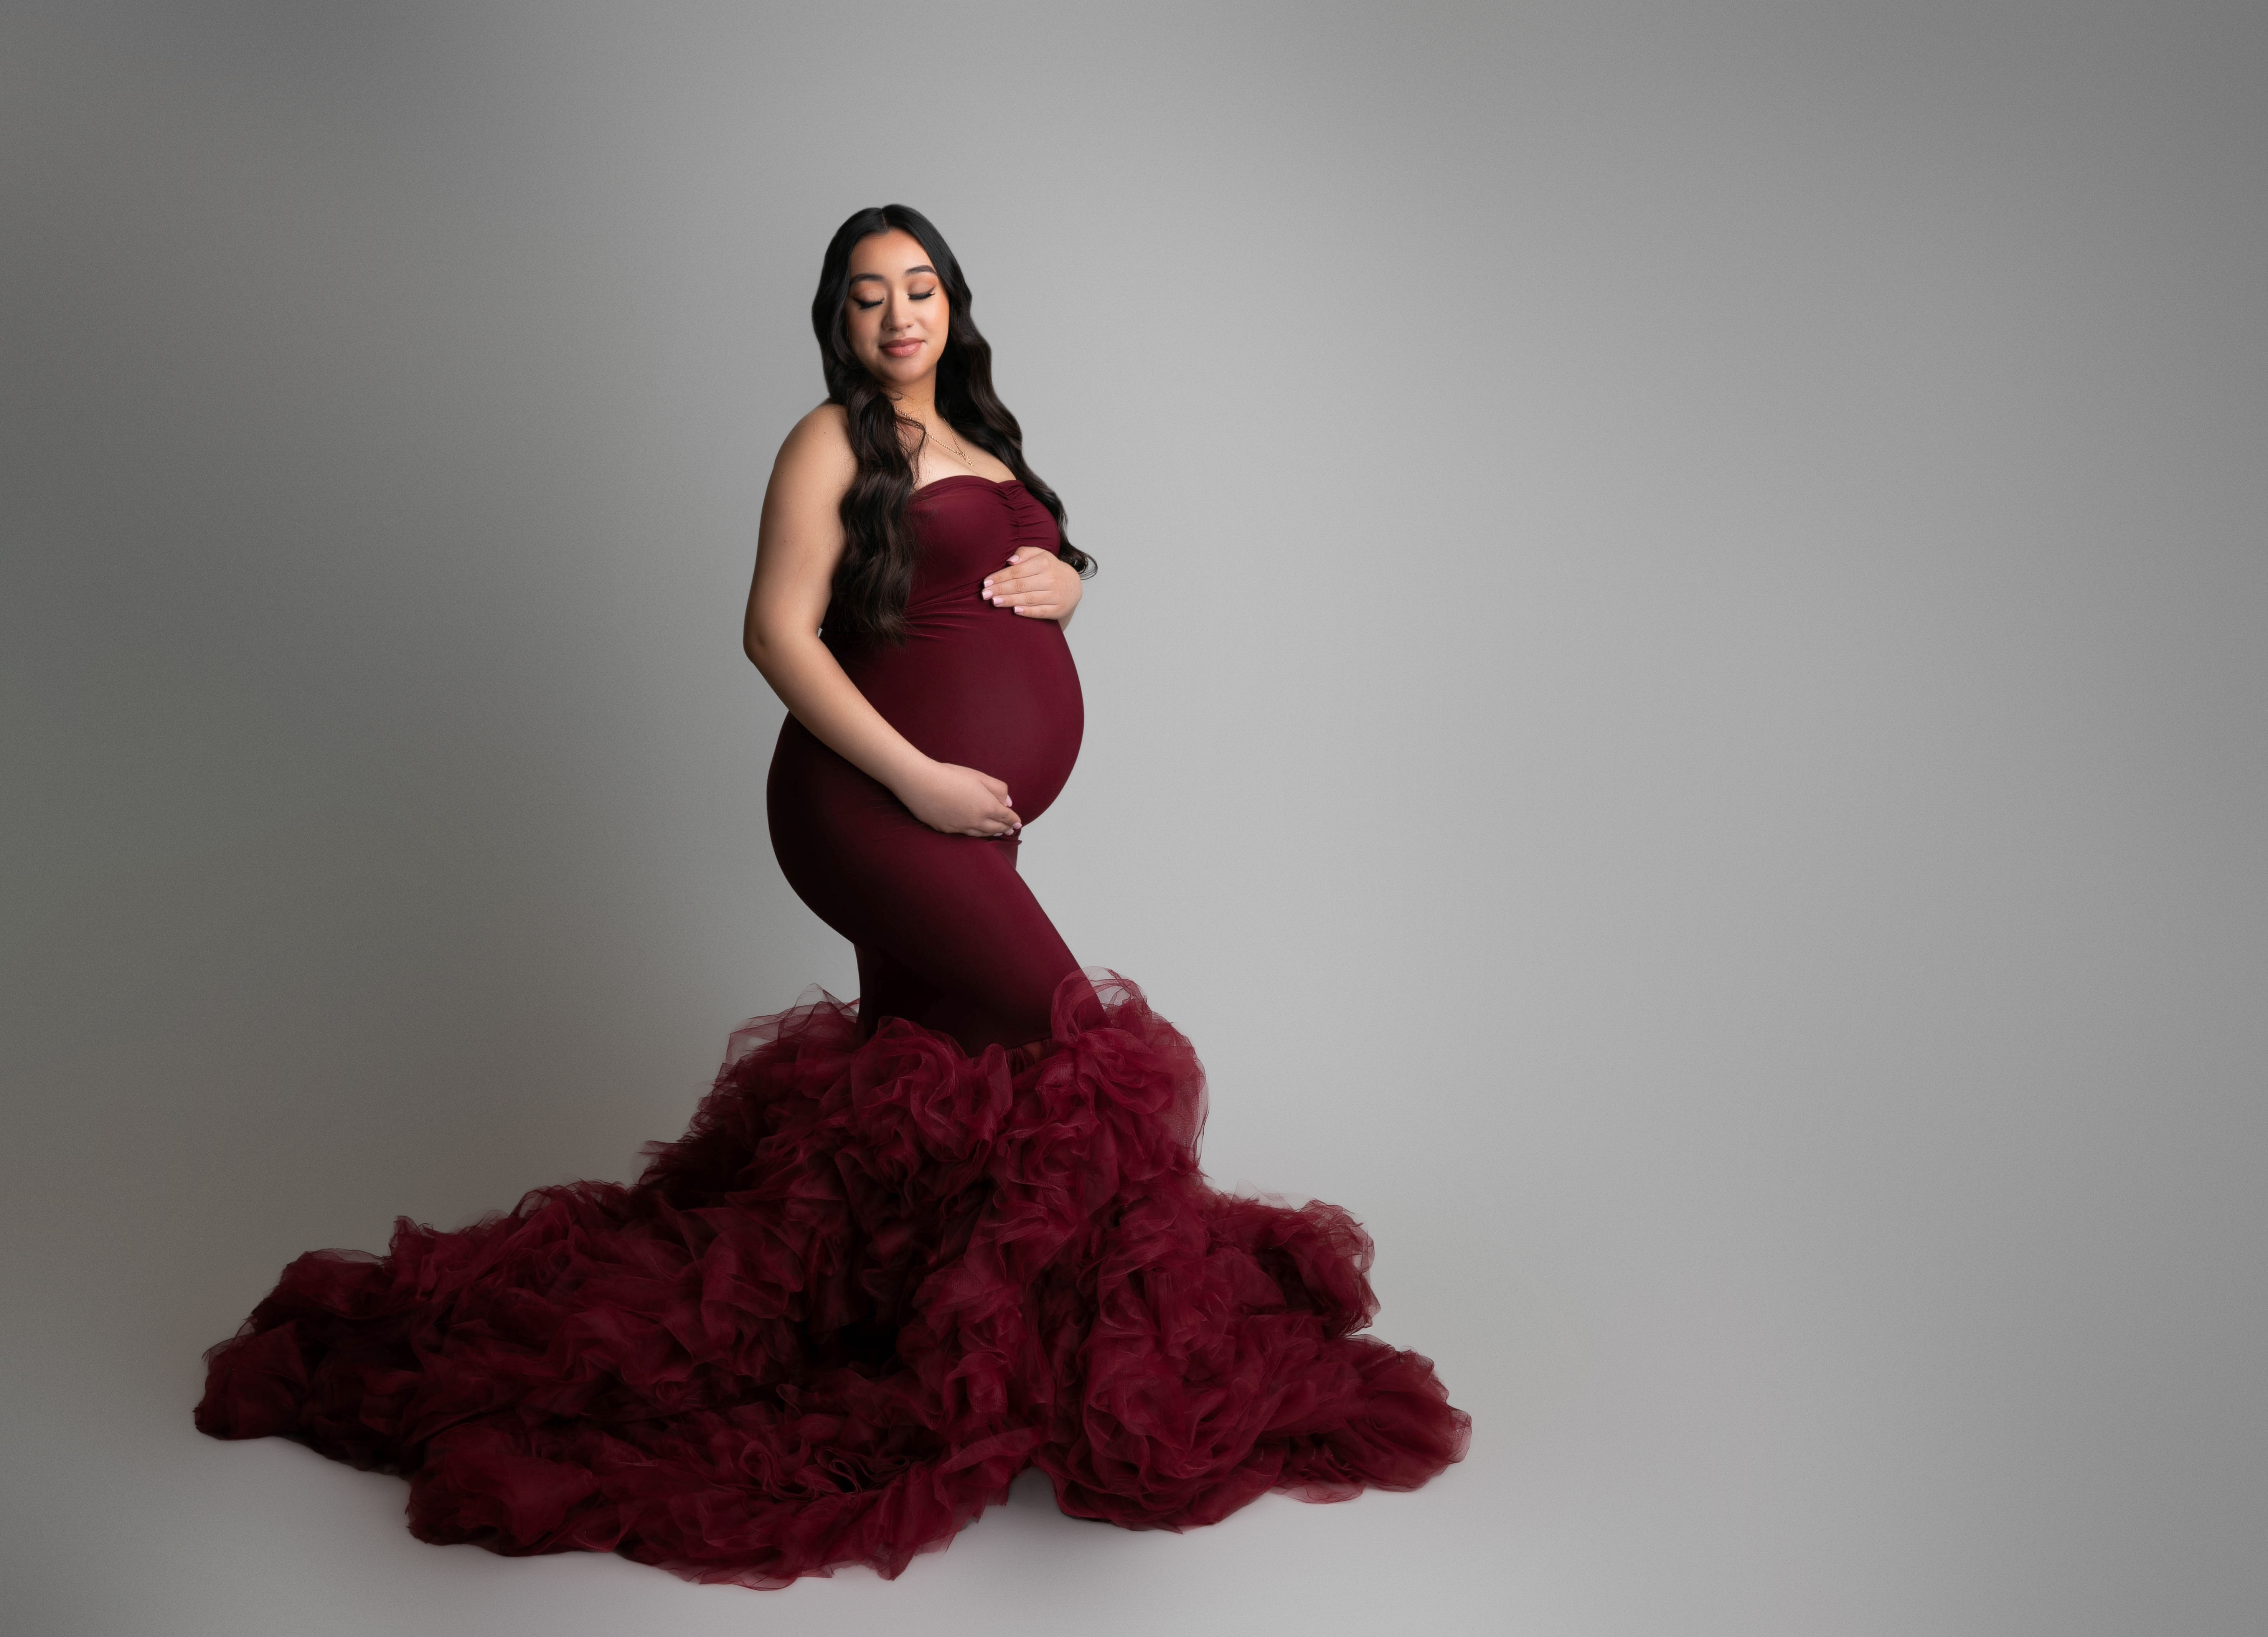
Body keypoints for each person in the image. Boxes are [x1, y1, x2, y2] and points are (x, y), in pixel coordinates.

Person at [194, 204, 1470, 1587]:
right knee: (1074, 1050)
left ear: (955, 305)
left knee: (944, 1079)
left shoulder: (988, 435)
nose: (899, 314)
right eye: (869, 297)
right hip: (869, 806)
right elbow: (775, 631)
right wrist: (922, 782)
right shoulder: (829, 441)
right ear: (840, 322)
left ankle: (910, 1342)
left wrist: (1074, 583)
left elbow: (988, 588)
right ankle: (1103, 1376)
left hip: (961, 823)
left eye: (920, 288)